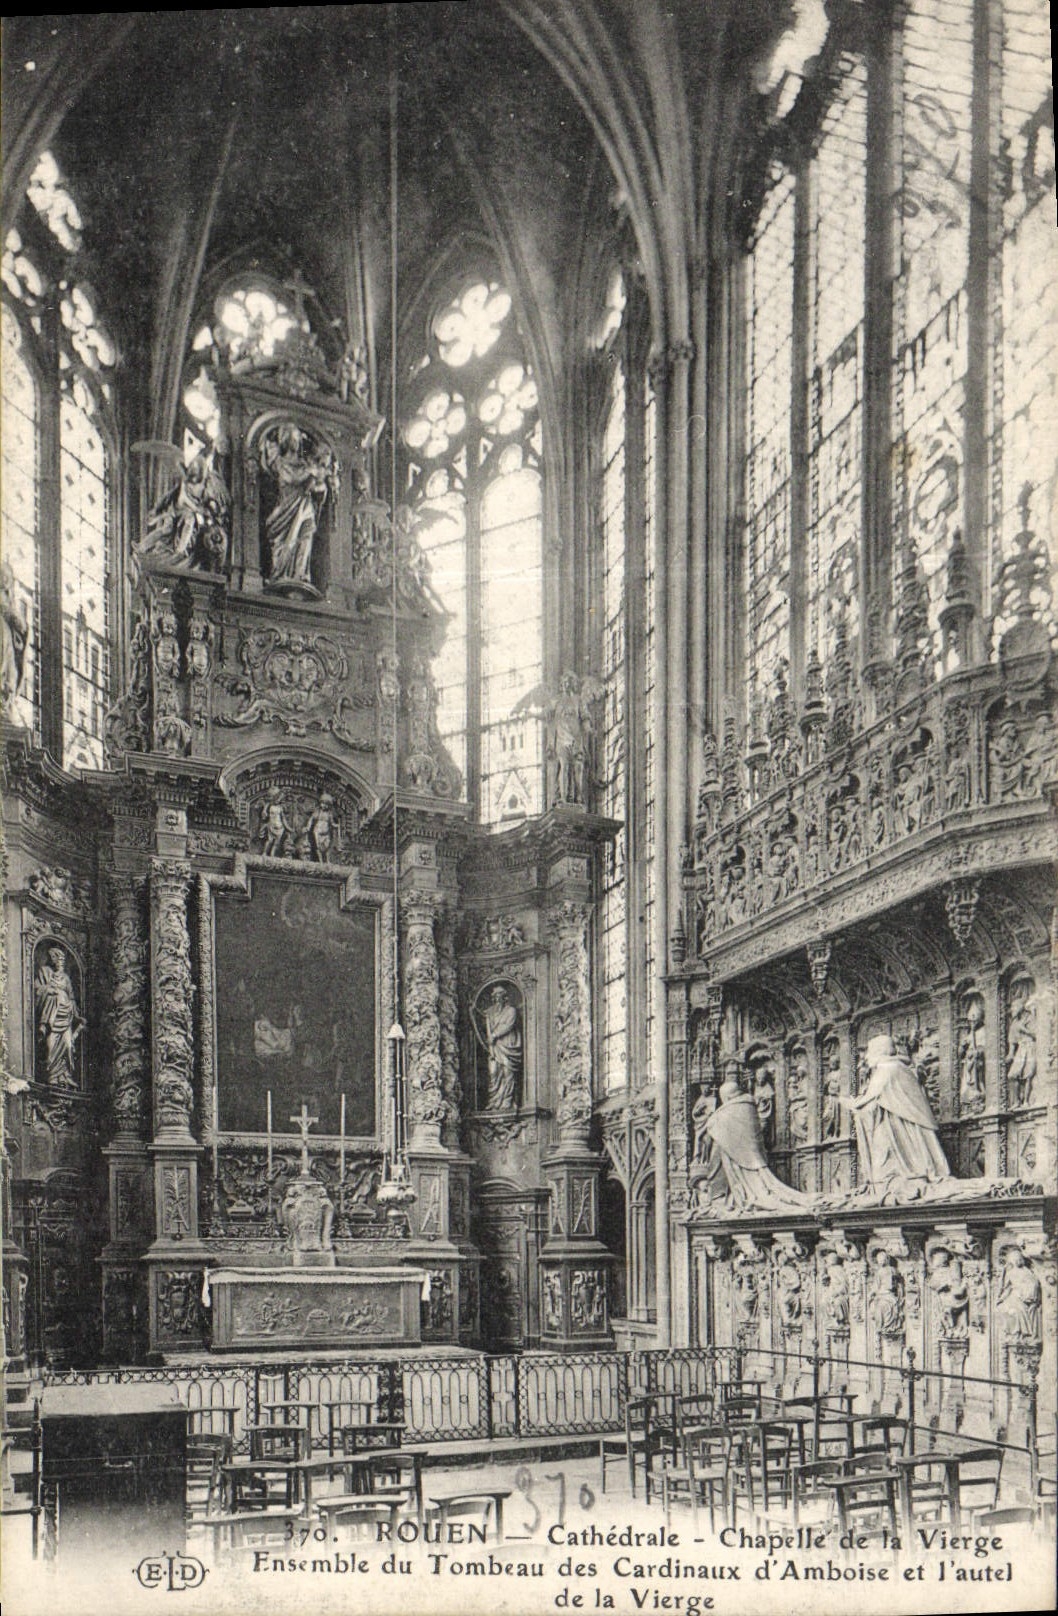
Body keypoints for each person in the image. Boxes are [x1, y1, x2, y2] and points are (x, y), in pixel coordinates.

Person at [840, 1033, 953, 1199]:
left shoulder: (889, 1069)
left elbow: (870, 1101)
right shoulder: (897, 1068)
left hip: (895, 1129)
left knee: (886, 1162)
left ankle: (892, 1186)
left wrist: (849, 1103)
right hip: (891, 1125)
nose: (868, 1057)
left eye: (871, 1051)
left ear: (880, 1051)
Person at [695, 1063, 815, 1214]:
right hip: (752, 1159)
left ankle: (724, 1197)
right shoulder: (747, 1106)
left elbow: (715, 1128)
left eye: (724, 1098)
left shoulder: (732, 1110)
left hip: (741, 1162)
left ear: (729, 1096)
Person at [262, 424, 337, 587]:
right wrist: (312, 473)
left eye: (296, 438)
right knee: (286, 543)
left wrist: (323, 486)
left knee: (306, 537)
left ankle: (300, 575)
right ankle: (280, 574)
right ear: (284, 441)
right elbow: (291, 477)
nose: (294, 442)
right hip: (286, 510)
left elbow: (317, 488)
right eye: (291, 438)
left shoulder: (305, 464)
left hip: (305, 509)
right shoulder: (280, 462)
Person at [35, 945, 85, 1087]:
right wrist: (51, 991)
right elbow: (37, 989)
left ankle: (64, 1076)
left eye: (62, 960)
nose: (60, 962)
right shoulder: (45, 972)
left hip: (66, 1017)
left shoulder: (66, 979)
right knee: (50, 1048)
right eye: (57, 959)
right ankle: (52, 1076)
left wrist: (76, 1015)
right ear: (52, 960)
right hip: (52, 1018)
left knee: (68, 1046)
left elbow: (72, 998)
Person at [475, 985, 522, 1110]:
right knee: (493, 1073)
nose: (497, 998)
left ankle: (507, 1101)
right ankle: (495, 1100)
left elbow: (508, 1025)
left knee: (508, 1072)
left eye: (499, 995)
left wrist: (494, 1035)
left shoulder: (511, 1010)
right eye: (495, 996)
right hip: (495, 1048)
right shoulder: (490, 1012)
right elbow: (482, 1021)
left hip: (507, 1045)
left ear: (504, 997)